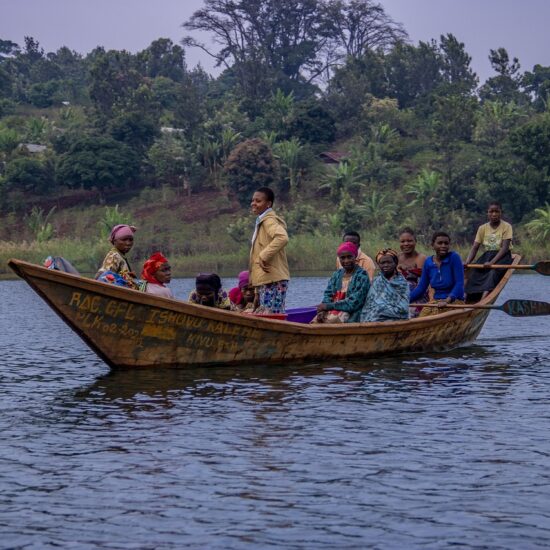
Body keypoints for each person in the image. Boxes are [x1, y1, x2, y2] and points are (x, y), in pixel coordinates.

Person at [249, 187, 290, 314]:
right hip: (266, 281)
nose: (253, 203)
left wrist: (264, 256)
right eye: (253, 200)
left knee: (272, 316)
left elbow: (282, 237)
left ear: (268, 204)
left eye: (258, 201)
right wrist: (256, 291)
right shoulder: (261, 221)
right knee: (265, 315)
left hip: (274, 281)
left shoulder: (269, 220)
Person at [464, 202, 513, 298]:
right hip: (487, 255)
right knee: (474, 271)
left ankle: (484, 298)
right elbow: (475, 247)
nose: (494, 214)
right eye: (491, 211)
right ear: (487, 213)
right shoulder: (482, 228)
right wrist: (467, 262)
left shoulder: (507, 226)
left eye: (496, 211)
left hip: (502, 256)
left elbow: (505, 248)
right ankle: (465, 297)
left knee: (492, 272)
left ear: (501, 213)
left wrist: (492, 262)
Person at [313, 241, 370, 323]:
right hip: (332, 309)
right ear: (339, 259)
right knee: (316, 320)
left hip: (352, 312)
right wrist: (323, 310)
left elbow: (354, 303)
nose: (346, 261)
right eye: (342, 258)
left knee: (330, 321)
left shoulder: (362, 275)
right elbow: (328, 294)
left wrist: (328, 306)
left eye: (349, 257)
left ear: (355, 257)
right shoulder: (337, 274)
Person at [410, 231, 465, 317]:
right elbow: (421, 288)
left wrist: (447, 300)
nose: (443, 246)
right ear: (433, 245)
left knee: (436, 315)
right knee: (420, 318)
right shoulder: (428, 262)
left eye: (446, 243)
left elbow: (459, 284)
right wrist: (404, 300)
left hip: (454, 301)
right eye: (440, 243)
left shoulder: (454, 257)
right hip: (435, 302)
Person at [361, 249, 410, 322]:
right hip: (372, 318)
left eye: (389, 262)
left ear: (395, 263)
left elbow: (403, 308)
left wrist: (381, 309)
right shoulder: (376, 282)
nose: (386, 265)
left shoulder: (402, 283)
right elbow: (369, 305)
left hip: (396, 319)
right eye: (382, 263)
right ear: (378, 265)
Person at [95, 224, 140, 289]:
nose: (128, 243)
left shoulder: (121, 256)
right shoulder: (114, 256)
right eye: (124, 240)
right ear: (114, 241)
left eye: (130, 240)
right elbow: (105, 276)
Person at [397, 227, 428, 317]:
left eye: (409, 241)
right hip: (398, 296)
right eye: (403, 241)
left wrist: (405, 300)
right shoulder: (397, 257)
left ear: (415, 241)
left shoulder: (421, 258)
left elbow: (422, 287)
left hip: (417, 297)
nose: (406, 244)